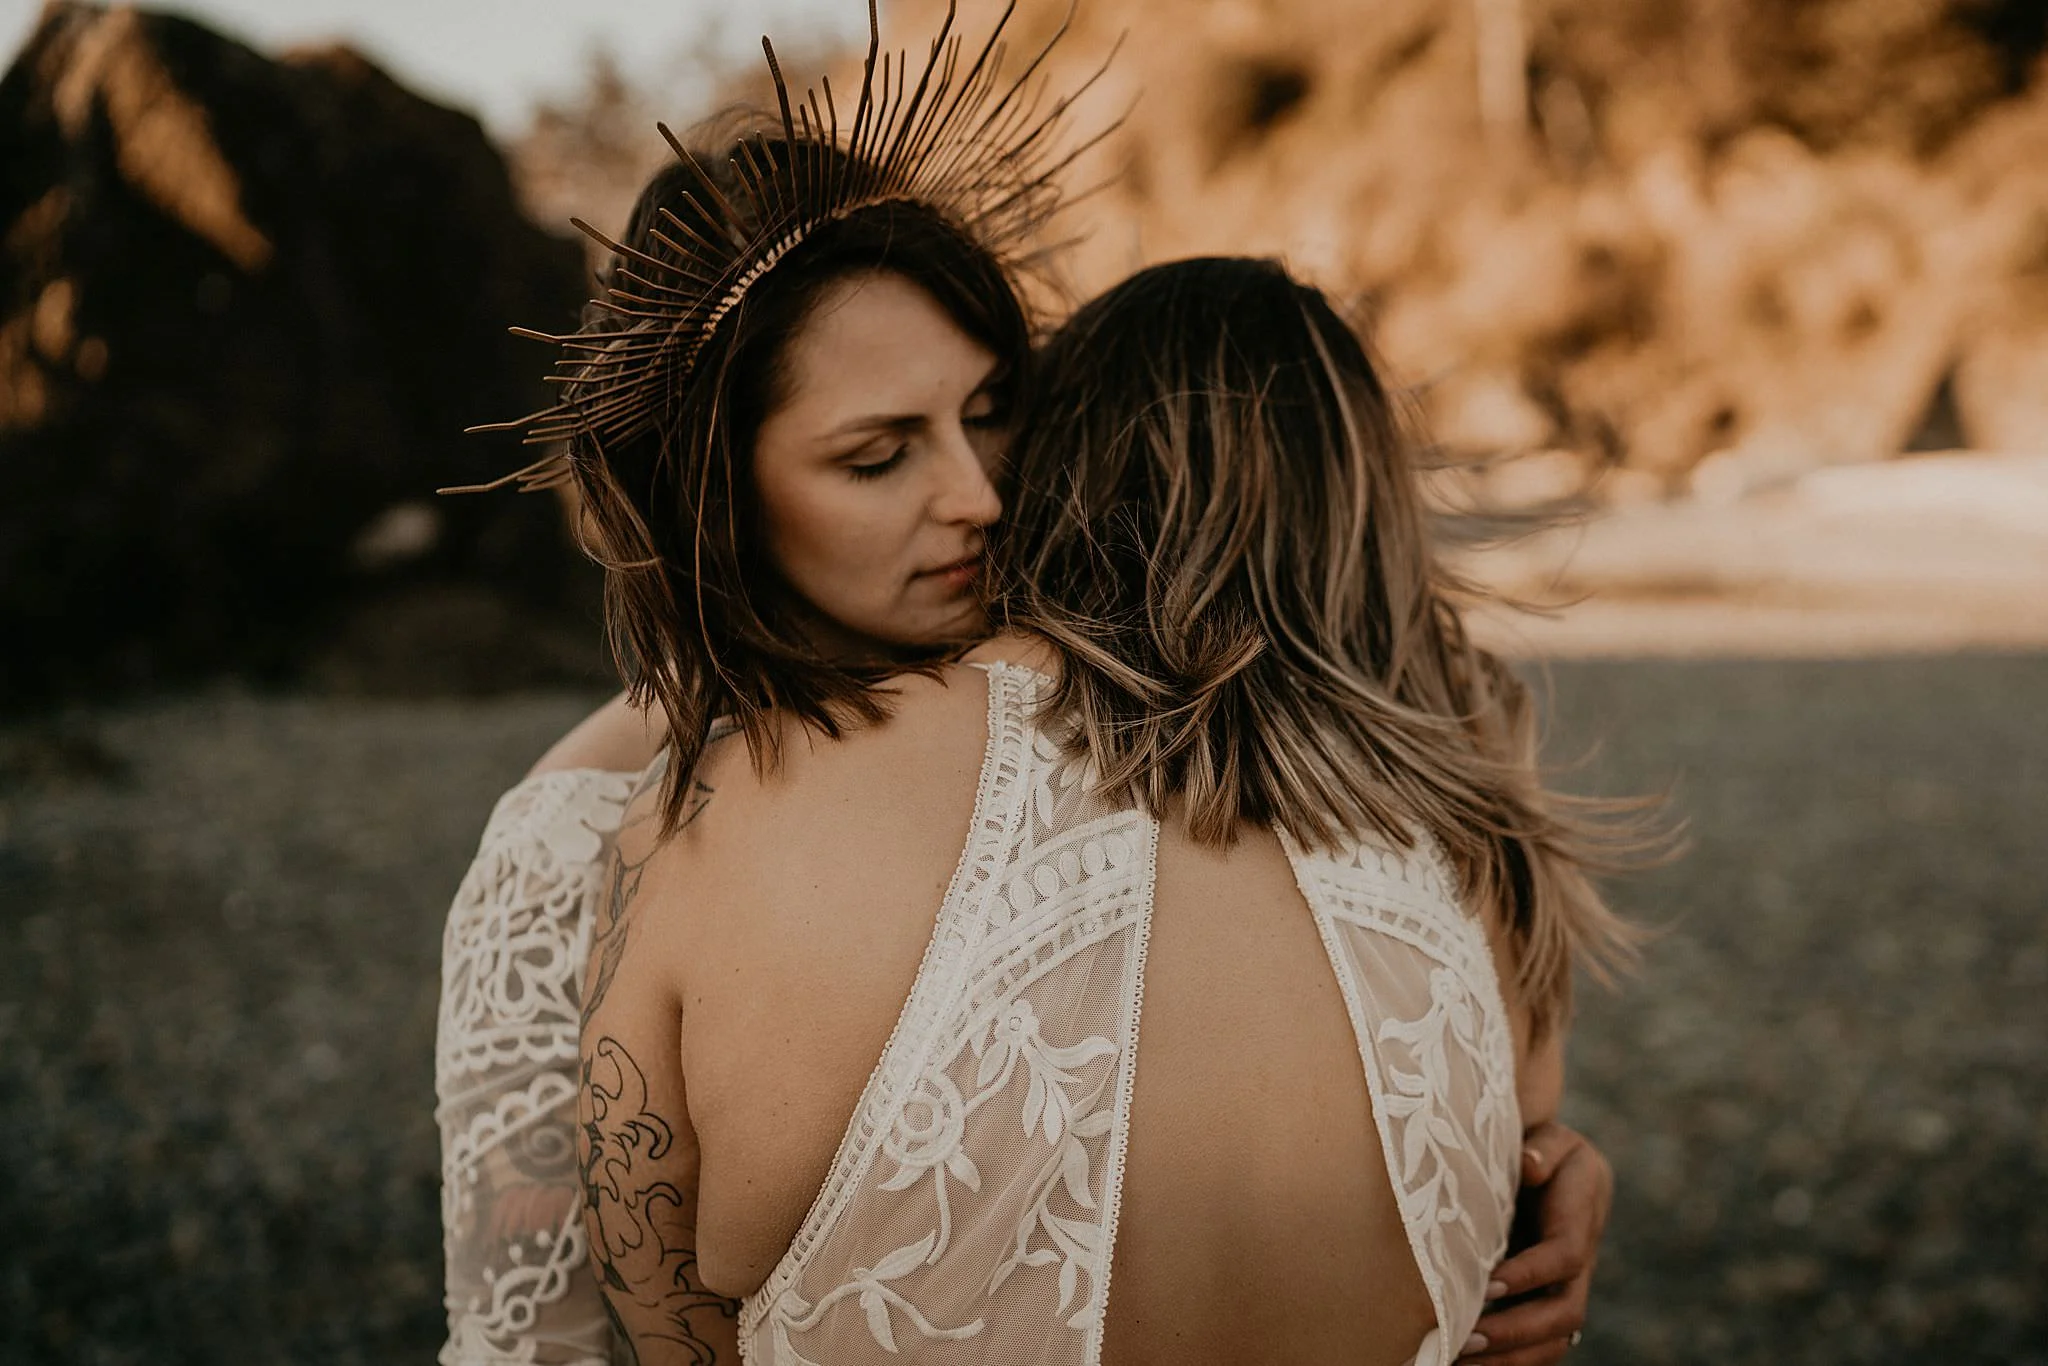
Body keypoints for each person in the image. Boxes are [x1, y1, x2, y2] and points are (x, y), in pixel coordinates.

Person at [437, 10, 1614, 1365]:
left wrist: (1528, 1166)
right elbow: (539, 1334)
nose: (979, 494)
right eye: (879, 456)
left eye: (991, 410)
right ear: (712, 503)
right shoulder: (586, 824)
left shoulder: (1160, 710)